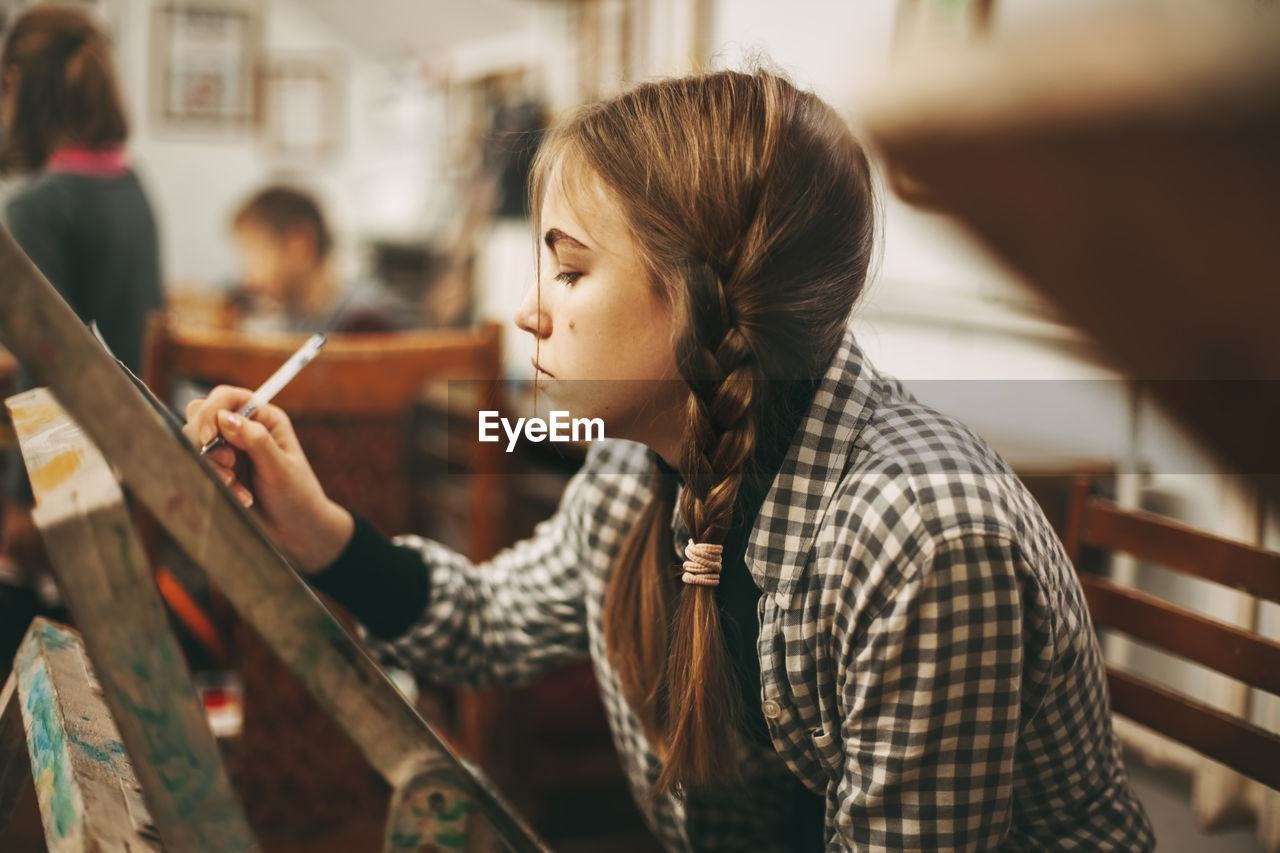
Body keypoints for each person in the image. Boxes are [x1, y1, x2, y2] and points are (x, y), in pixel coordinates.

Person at [184, 69, 1155, 851]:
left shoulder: (920, 535)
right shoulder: (631, 470)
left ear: (704, 293)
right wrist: (313, 529)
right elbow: (484, 624)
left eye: (568, 272)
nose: (528, 310)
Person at [0, 3, 163, 667]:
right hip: (133, 470)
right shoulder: (129, 184)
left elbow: (51, 376)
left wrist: (19, 509)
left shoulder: (38, 204)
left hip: (70, 493)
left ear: (16, 85)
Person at [229, 184, 418, 334]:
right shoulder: (296, 319)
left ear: (300, 246)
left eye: (255, 255)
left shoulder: (366, 325)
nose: (247, 276)